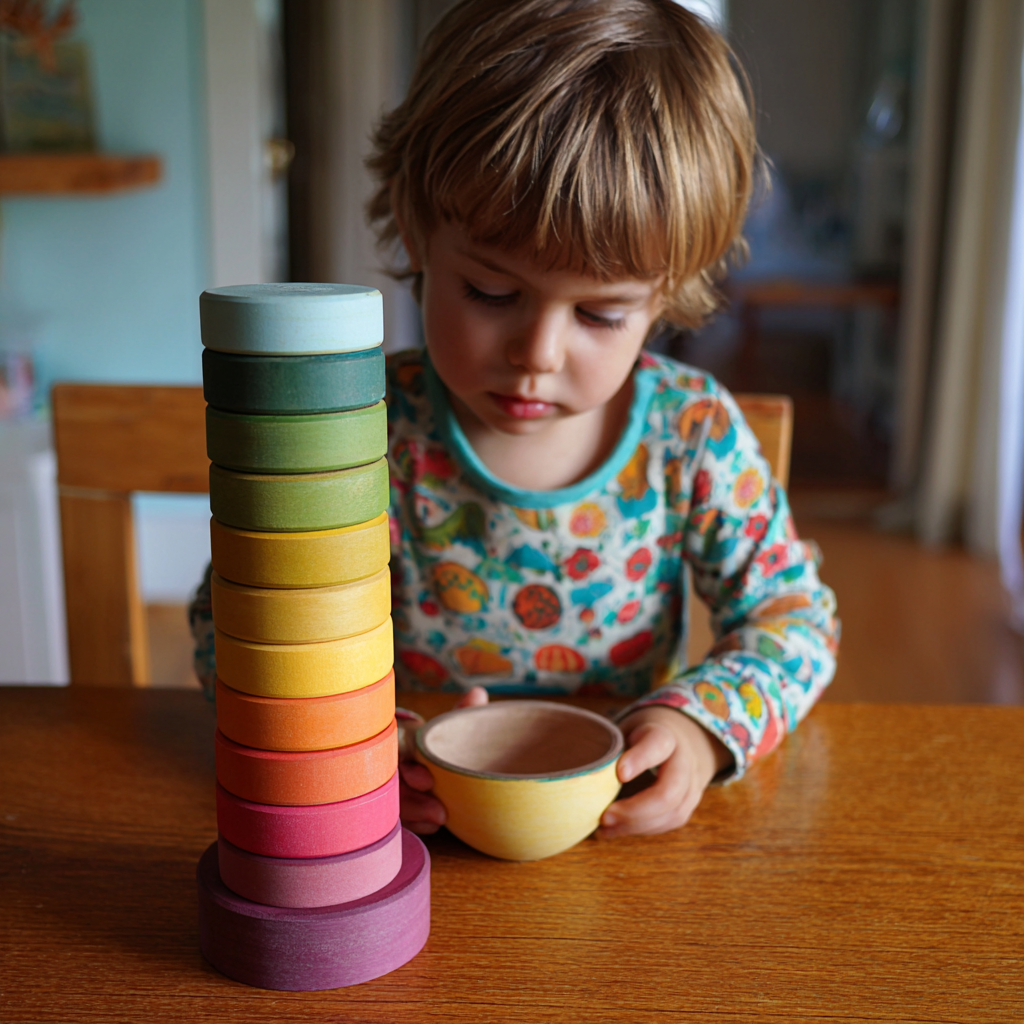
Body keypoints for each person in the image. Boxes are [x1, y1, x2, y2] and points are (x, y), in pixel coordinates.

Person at [191, 0, 839, 841]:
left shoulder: (691, 436)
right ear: (418, 229)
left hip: (617, 851)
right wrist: (342, 746)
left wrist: (701, 727)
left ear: (666, 296)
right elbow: (235, 627)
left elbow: (794, 617)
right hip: (395, 836)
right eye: (493, 293)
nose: (537, 351)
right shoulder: (362, 434)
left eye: (601, 315)